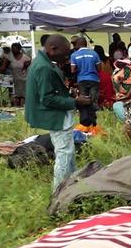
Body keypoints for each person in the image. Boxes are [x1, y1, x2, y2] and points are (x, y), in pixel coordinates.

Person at [25, 34, 91, 190]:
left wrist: (70, 96)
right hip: (55, 116)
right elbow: (47, 99)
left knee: (68, 152)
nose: (68, 56)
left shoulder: (44, 63)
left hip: (57, 115)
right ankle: (58, 193)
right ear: (53, 49)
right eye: (66, 52)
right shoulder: (43, 67)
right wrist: (75, 102)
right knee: (64, 154)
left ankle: (72, 186)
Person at [69, 36, 102, 132]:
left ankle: (84, 124)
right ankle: (94, 125)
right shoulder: (94, 53)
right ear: (86, 44)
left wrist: (81, 68)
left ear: (78, 44)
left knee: (83, 101)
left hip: (81, 80)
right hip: (93, 79)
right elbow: (99, 69)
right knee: (93, 101)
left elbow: (73, 70)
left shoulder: (74, 55)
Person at [1, 42, 31, 107]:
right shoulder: (10, 57)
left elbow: (29, 69)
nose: (13, 50)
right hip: (16, 80)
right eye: (12, 48)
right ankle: (17, 108)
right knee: (17, 96)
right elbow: (3, 67)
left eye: (15, 48)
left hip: (25, 80)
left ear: (19, 49)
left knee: (24, 96)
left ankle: (23, 109)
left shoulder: (26, 58)